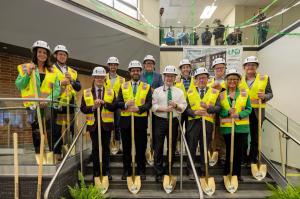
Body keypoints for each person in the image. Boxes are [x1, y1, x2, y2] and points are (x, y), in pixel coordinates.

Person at [15, 40, 60, 157]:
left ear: (48, 55)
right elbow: (19, 85)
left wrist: (47, 99)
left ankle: (52, 156)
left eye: (45, 53)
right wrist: (29, 73)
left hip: (48, 106)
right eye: (39, 52)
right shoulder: (25, 68)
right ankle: (39, 157)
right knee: (36, 132)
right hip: (33, 106)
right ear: (35, 53)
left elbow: (57, 90)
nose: (42, 54)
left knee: (50, 131)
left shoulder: (52, 70)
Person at [116, 60, 152, 181]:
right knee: (126, 147)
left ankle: (141, 170)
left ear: (140, 72)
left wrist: (139, 108)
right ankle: (126, 170)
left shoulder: (146, 87)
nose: (135, 72)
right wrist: (126, 104)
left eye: (137, 70)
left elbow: (149, 104)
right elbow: (118, 103)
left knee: (141, 147)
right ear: (130, 73)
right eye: (133, 71)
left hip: (140, 123)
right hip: (126, 122)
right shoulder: (123, 86)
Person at [184, 68, 221, 180]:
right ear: (195, 80)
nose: (201, 80)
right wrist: (195, 112)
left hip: (207, 124)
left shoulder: (215, 92)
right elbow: (185, 108)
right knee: (191, 148)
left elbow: (219, 108)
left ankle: (205, 171)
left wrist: (208, 107)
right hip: (193, 124)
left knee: (205, 149)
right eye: (199, 78)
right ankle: (191, 171)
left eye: (204, 77)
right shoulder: (190, 92)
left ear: (207, 79)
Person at [80, 67, 117, 180]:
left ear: (105, 79)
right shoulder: (86, 92)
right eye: (97, 77)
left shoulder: (111, 92)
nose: (99, 79)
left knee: (106, 147)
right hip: (93, 125)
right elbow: (83, 109)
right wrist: (93, 107)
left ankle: (106, 171)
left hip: (106, 124)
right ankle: (96, 171)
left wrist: (104, 103)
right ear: (94, 78)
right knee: (95, 148)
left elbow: (115, 107)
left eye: (102, 77)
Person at [152, 65, 187, 181]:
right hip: (160, 121)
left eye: (172, 76)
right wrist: (165, 109)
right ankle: (158, 172)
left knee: (171, 147)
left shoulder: (179, 92)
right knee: (159, 146)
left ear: (175, 78)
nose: (169, 79)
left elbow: (184, 106)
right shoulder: (157, 91)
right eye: (167, 76)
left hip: (174, 121)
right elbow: (154, 106)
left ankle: (168, 170)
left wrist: (176, 106)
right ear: (164, 77)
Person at [239, 56, 273, 167]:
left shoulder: (264, 78)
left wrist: (264, 97)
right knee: (243, 136)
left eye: (253, 65)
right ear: (244, 68)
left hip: (257, 112)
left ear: (257, 67)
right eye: (248, 65)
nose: (250, 67)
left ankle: (252, 159)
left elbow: (270, 93)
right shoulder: (239, 80)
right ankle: (243, 158)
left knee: (255, 136)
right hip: (243, 112)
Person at [219, 69, 252, 182]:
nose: (232, 81)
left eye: (235, 79)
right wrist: (228, 112)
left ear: (238, 81)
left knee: (239, 151)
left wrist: (238, 114)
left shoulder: (244, 92)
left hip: (242, 128)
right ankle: (228, 171)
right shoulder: (222, 94)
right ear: (226, 81)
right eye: (230, 79)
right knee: (229, 150)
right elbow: (219, 112)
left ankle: (237, 173)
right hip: (227, 127)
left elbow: (249, 109)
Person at [52, 45, 81, 162]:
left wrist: (72, 81)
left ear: (67, 56)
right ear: (55, 55)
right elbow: (46, 85)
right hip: (57, 103)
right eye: (60, 54)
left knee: (71, 129)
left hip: (70, 104)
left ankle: (69, 150)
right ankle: (57, 152)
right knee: (57, 129)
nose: (62, 56)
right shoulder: (51, 69)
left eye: (64, 54)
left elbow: (78, 87)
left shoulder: (73, 71)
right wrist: (60, 83)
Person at [140, 55, 164, 149]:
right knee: (143, 127)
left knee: (155, 126)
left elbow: (162, 88)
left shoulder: (158, 75)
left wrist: (155, 91)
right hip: (143, 104)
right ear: (144, 65)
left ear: (154, 65)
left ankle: (154, 147)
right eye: (146, 63)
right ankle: (144, 147)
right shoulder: (140, 75)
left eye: (150, 63)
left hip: (155, 103)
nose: (148, 65)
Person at [206, 58, 227, 166]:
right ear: (213, 69)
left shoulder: (228, 81)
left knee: (222, 134)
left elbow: (231, 94)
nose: (219, 69)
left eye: (221, 67)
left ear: (224, 69)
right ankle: (210, 154)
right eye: (216, 68)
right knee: (211, 133)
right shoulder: (209, 81)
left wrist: (222, 89)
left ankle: (223, 157)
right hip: (211, 110)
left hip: (224, 111)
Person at [174, 59, 196, 152]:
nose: (185, 69)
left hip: (190, 108)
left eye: (187, 67)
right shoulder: (176, 80)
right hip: (179, 108)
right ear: (181, 69)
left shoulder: (195, 80)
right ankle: (176, 148)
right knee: (177, 129)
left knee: (189, 130)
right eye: (183, 67)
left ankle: (188, 148)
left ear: (190, 68)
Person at [105, 57, 125, 154]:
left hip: (117, 106)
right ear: (108, 66)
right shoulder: (103, 77)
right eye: (111, 64)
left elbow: (124, 93)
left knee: (117, 126)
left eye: (115, 65)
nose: (113, 66)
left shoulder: (122, 79)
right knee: (107, 125)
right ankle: (106, 145)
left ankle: (117, 147)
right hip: (106, 106)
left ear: (117, 66)